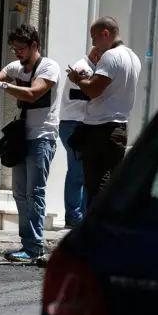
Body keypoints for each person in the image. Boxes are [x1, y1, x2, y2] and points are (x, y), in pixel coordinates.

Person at [0, 24, 60, 262]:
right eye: (14, 48)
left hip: (42, 137)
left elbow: (33, 93)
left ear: (34, 45)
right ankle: (27, 245)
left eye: (21, 48)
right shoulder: (16, 67)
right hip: (21, 138)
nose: (17, 53)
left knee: (34, 193)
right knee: (19, 194)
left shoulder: (49, 67)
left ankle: (35, 247)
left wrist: (3, 86)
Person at [66, 16, 141, 208]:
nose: (93, 43)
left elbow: (93, 90)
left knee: (97, 186)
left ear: (105, 33)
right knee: (111, 185)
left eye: (94, 37)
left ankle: (95, 232)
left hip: (101, 129)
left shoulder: (111, 56)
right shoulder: (133, 57)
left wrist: (77, 79)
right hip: (119, 128)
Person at [58, 47, 96, 228]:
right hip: (74, 126)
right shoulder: (85, 69)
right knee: (78, 172)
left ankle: (80, 216)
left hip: (77, 125)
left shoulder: (88, 68)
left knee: (84, 172)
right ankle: (74, 217)